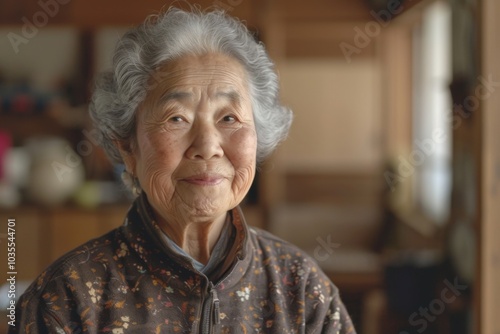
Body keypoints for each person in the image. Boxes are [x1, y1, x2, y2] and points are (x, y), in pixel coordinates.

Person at [11, 7, 356, 334]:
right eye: (177, 118)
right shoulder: (66, 298)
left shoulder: (302, 288)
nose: (207, 145)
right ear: (127, 147)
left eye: (229, 118)